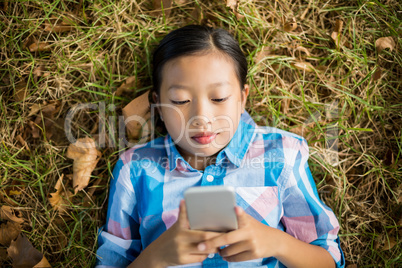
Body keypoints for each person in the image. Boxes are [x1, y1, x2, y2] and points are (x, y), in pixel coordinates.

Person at [95, 25, 345, 268]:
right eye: (180, 101)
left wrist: (277, 243)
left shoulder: (282, 155)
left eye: (219, 98)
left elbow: (329, 259)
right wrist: (157, 257)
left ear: (242, 97)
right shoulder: (135, 169)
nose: (201, 117)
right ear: (158, 105)